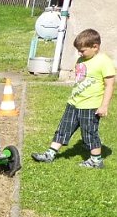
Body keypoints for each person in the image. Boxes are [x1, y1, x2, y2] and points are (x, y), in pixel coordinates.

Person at [31, 28, 115, 169]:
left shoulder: (103, 61)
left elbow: (110, 85)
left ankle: (96, 160)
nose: (79, 53)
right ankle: (50, 154)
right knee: (63, 128)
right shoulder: (81, 59)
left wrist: (104, 105)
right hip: (74, 102)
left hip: (90, 105)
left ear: (95, 47)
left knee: (89, 132)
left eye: (82, 51)